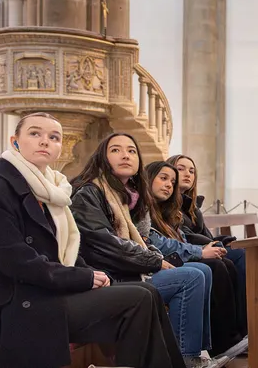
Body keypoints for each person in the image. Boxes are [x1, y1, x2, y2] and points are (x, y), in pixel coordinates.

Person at [0, 112, 183, 368]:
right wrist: (84, 277)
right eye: (35, 134)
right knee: (138, 300)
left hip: (46, 292)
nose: (45, 141)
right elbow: (19, 263)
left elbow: (65, 249)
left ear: (59, 147)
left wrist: (88, 272)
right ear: (15, 141)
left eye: (54, 137)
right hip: (14, 305)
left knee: (148, 292)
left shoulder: (52, 190)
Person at [70, 132, 214, 367]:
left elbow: (142, 240)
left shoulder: (126, 196)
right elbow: (104, 243)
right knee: (191, 277)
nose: (125, 155)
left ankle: (193, 353)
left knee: (201, 271)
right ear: (102, 158)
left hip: (123, 270)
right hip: (107, 276)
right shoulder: (90, 192)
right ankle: (186, 357)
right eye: (115, 150)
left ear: (139, 162)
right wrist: (154, 261)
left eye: (131, 151)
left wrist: (152, 257)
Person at [145, 161, 247, 355]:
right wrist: (201, 251)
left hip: (173, 256)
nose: (169, 184)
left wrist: (208, 246)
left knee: (229, 260)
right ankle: (217, 344)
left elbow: (183, 237)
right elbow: (158, 242)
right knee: (210, 268)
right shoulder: (142, 209)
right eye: (164, 178)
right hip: (157, 264)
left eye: (171, 181)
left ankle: (235, 335)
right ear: (148, 179)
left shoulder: (169, 209)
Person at [167, 154, 247, 287]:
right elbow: (187, 236)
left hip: (203, 249)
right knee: (237, 256)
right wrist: (216, 245)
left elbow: (206, 236)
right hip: (186, 253)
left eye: (191, 171)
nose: (187, 174)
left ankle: (249, 305)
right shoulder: (168, 206)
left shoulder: (193, 208)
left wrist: (224, 240)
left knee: (244, 251)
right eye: (181, 169)